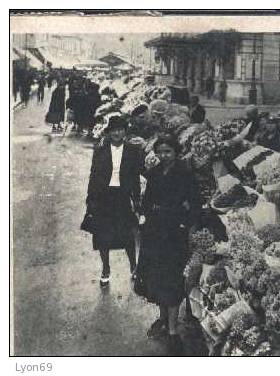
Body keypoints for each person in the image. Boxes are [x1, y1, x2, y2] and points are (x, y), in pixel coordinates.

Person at [135, 135, 201, 355]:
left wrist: (186, 224)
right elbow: (147, 200)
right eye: (160, 152)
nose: (163, 156)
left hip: (174, 232)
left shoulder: (185, 174)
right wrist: (144, 215)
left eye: (168, 152)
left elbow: (196, 204)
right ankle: (163, 318)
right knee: (155, 275)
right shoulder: (153, 173)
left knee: (172, 278)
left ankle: (173, 330)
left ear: (176, 152)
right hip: (154, 230)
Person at [85, 116, 143, 288]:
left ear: (125, 131)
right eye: (114, 130)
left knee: (127, 235)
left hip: (122, 197)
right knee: (103, 235)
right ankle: (105, 269)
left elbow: (135, 177)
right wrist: (90, 198)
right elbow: (93, 175)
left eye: (120, 129)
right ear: (109, 132)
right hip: (103, 197)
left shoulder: (133, 150)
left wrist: (137, 198)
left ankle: (134, 266)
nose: (117, 133)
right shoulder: (100, 149)